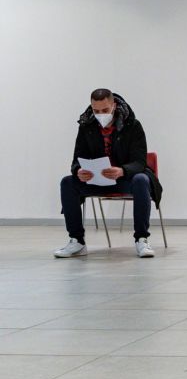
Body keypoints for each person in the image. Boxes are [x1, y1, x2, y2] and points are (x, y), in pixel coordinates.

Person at [54, 89, 163, 258]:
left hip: (124, 179)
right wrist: (79, 171)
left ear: (114, 105)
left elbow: (139, 162)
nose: (100, 114)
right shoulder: (86, 126)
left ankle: (141, 239)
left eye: (104, 110)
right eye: (96, 111)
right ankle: (77, 241)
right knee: (67, 182)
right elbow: (77, 159)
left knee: (141, 180)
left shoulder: (132, 125)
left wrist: (122, 170)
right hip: (97, 180)